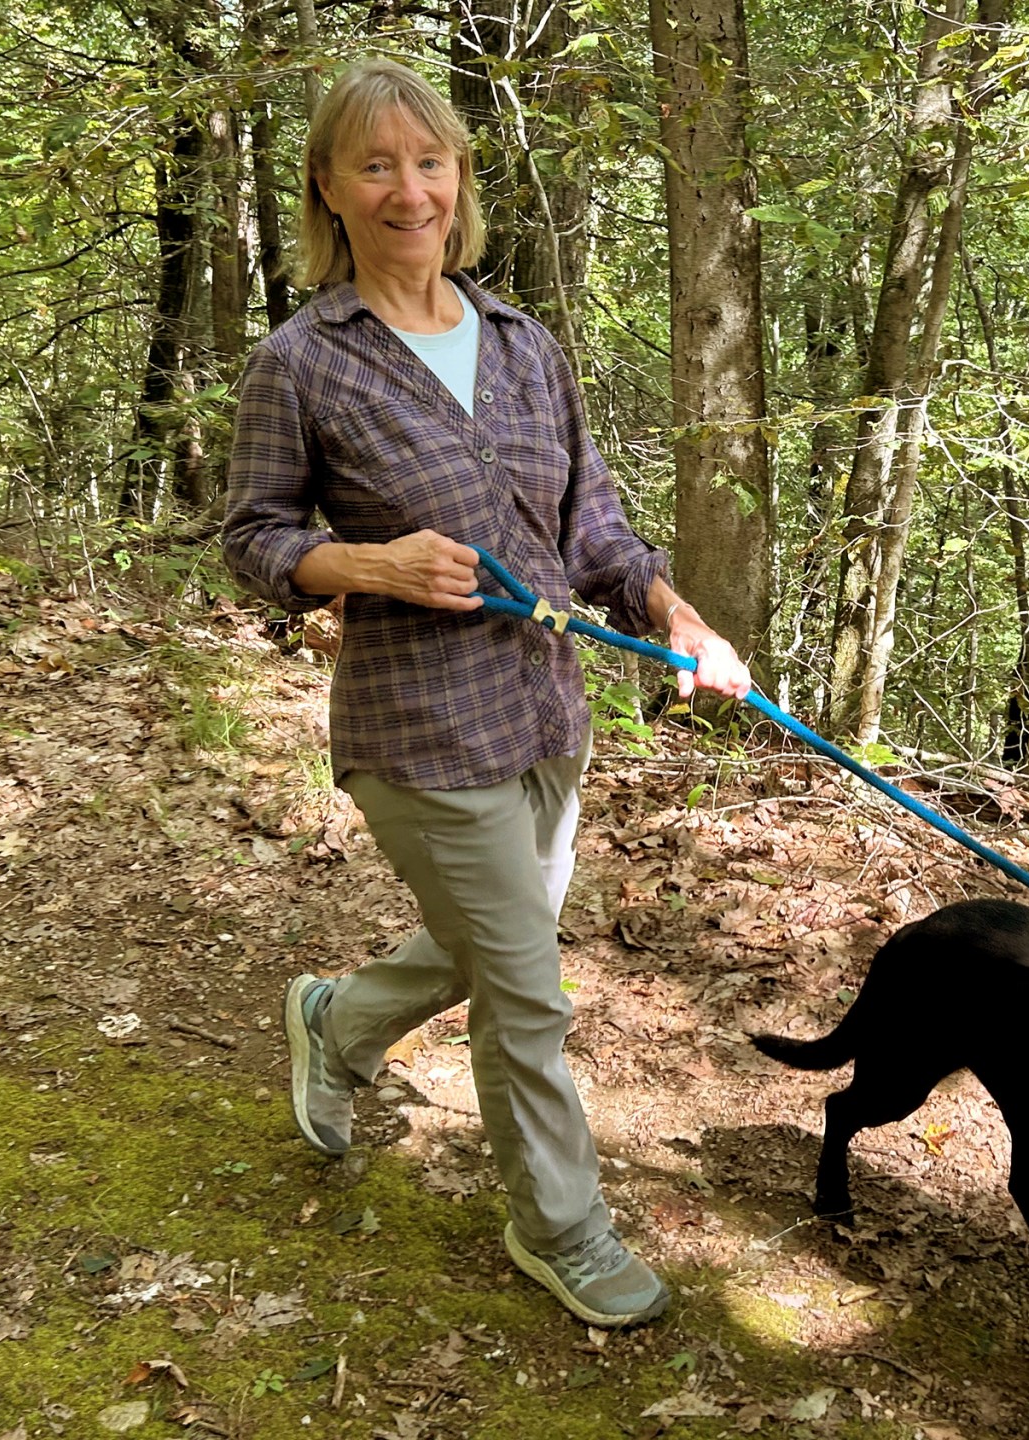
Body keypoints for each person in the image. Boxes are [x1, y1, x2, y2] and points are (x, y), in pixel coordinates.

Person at [219, 58, 749, 1332]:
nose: (410, 190)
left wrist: (679, 623)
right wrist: (365, 566)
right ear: (328, 189)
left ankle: (337, 1024)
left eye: (431, 161)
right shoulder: (304, 361)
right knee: (526, 989)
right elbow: (250, 537)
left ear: (459, 180)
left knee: (483, 946)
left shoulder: (521, 343)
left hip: (547, 713)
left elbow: (594, 526)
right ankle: (560, 1227)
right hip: (419, 730)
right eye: (377, 164)